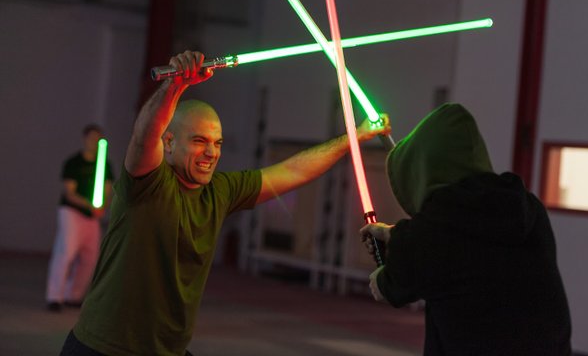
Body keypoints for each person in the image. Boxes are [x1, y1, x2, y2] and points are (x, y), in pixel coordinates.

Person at [60, 50, 391, 355]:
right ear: (170, 143)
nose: (211, 152)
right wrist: (175, 86)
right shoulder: (148, 184)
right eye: (199, 141)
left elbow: (291, 171)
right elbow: (144, 135)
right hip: (103, 349)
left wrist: (356, 136)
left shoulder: (221, 191)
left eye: (217, 143)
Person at [360, 103, 572, 355]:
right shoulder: (527, 207)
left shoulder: (426, 235)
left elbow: (385, 288)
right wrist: (397, 236)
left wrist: (396, 251)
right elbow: (469, 247)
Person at [46, 124, 114, 312]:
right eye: (91, 137)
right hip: (72, 212)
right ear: (85, 138)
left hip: (92, 216)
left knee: (90, 256)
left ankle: (74, 296)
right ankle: (55, 297)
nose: (94, 142)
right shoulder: (73, 163)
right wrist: (91, 206)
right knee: (66, 251)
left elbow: (107, 189)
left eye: (97, 138)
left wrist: (102, 207)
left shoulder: (104, 164)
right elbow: (69, 193)